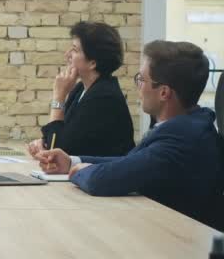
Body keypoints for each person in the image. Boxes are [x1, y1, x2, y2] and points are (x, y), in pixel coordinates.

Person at [35, 40, 224, 225]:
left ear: (164, 93)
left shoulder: (181, 138)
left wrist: (80, 171)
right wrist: (71, 162)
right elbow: (130, 161)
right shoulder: (188, 124)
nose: (138, 87)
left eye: (141, 79)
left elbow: (103, 180)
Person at [28, 21, 135, 158]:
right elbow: (66, 136)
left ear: (92, 63)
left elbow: (58, 150)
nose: (68, 55)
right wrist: (44, 143)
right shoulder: (81, 89)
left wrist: (59, 96)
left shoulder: (104, 97)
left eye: (75, 50)